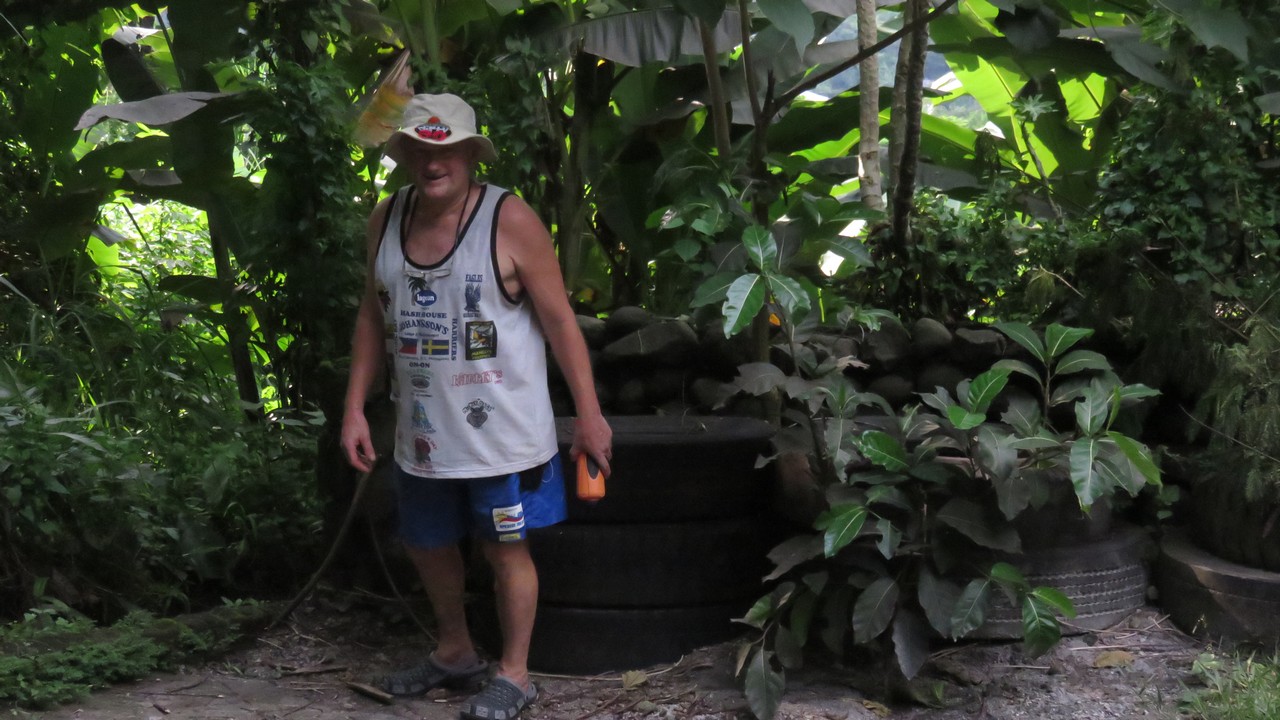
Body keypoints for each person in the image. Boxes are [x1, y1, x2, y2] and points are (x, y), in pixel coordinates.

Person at [340, 93, 612, 720]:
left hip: (503, 435)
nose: (432, 162)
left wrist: (590, 416)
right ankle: (455, 652)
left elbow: (560, 322)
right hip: (422, 432)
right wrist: (354, 408)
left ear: (469, 154)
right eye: (419, 149)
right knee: (427, 542)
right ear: (404, 153)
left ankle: (515, 675)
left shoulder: (508, 219)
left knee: (504, 549)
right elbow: (372, 315)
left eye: (447, 150)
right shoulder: (386, 218)